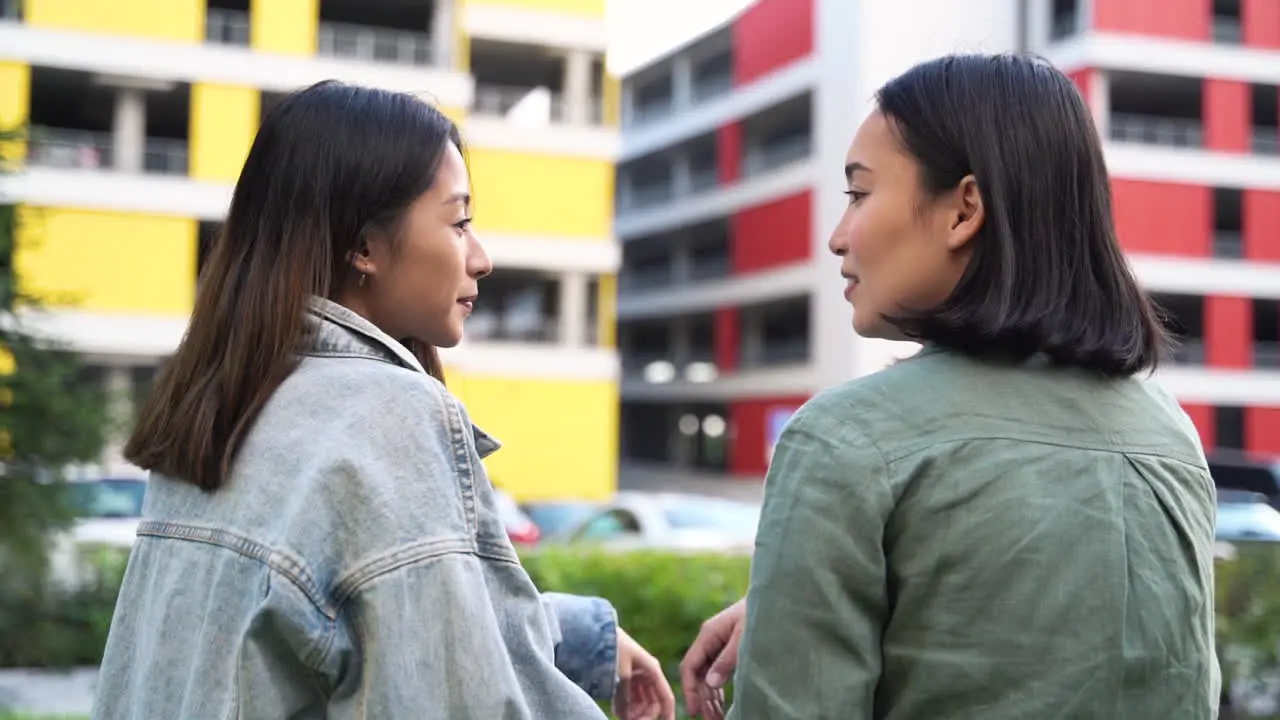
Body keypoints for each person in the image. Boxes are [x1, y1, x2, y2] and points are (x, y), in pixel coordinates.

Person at [92, 81, 675, 720]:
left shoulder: (225, 404)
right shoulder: (386, 417)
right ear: (364, 247)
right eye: (458, 223)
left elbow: (331, 623)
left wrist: (580, 636)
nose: (480, 258)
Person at [680, 53, 1219, 719]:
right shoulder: (1168, 433)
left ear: (964, 209)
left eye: (859, 194)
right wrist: (800, 607)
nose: (837, 238)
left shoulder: (848, 439)